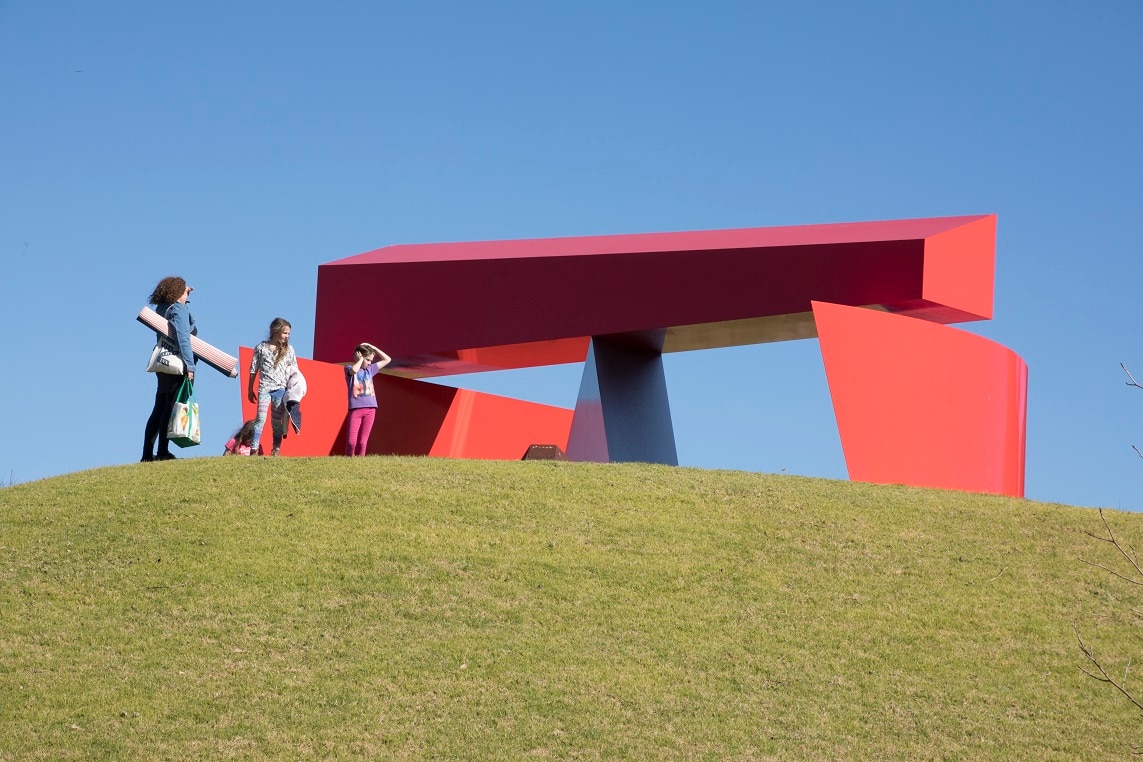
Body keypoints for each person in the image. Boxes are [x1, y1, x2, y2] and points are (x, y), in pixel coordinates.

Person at [141, 276, 196, 462]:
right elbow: (183, 337)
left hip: (163, 363)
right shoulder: (178, 310)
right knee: (169, 409)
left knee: (159, 408)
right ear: (177, 292)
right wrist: (190, 365)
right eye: (183, 290)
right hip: (177, 362)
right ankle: (163, 451)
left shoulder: (162, 309)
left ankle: (147, 454)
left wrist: (184, 296)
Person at [247, 318, 297, 456]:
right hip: (264, 389)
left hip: (280, 390)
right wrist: (249, 389)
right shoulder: (261, 348)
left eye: (288, 334)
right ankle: (254, 448)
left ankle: (276, 448)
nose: (287, 336)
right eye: (285, 333)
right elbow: (253, 369)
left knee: (276, 421)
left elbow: (294, 371)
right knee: (260, 418)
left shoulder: (289, 350)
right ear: (276, 331)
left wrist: (292, 390)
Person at [344, 342, 392, 456]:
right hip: (356, 409)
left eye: (371, 360)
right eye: (368, 360)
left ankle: (361, 464)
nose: (370, 363)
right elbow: (354, 371)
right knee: (351, 442)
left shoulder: (370, 369)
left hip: (371, 409)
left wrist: (374, 347)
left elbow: (387, 359)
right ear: (359, 357)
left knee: (363, 442)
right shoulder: (348, 368)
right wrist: (360, 360)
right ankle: (348, 462)